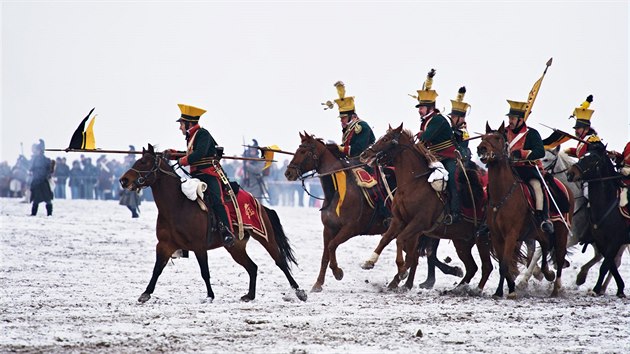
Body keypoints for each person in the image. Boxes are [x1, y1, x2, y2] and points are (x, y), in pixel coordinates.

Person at [165, 103, 235, 247]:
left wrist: (182, 160)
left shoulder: (203, 133)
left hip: (209, 174)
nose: (180, 127)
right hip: (196, 175)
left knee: (217, 200)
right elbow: (191, 153)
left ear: (189, 123)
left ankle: (227, 232)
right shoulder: (192, 136)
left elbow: (199, 154)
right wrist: (173, 154)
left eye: (181, 124)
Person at [413, 69, 460, 225]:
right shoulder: (426, 120)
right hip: (434, 158)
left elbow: (426, 138)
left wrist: (420, 136)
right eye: (419, 107)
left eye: (422, 107)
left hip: (448, 157)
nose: (419, 110)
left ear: (430, 108)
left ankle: (455, 212)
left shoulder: (438, 120)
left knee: (452, 179)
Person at [505, 99, 554, 234]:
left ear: (521, 120)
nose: (510, 121)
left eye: (513, 118)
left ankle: (542, 218)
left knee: (537, 187)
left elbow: (540, 151)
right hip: (510, 170)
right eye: (509, 118)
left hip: (527, 170)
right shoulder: (504, 133)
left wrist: (521, 153)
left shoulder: (532, 133)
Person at [323, 81, 375, 158]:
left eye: (344, 117)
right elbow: (346, 146)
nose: (341, 120)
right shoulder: (349, 129)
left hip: (365, 161)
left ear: (353, 116)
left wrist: (340, 148)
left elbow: (359, 148)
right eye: (341, 118)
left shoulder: (362, 126)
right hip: (352, 160)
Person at [29, 139, 54, 216]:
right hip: (37, 182)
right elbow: (31, 168)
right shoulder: (35, 159)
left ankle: (49, 214)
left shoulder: (45, 160)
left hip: (43, 182)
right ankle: (33, 214)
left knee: (48, 200)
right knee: (36, 200)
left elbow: (49, 170)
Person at [449, 86, 472, 161]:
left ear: (461, 118)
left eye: (453, 117)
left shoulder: (464, 133)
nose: (451, 119)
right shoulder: (450, 128)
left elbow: (462, 150)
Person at [119, 146, 141, 218]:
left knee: (132, 202)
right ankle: (134, 213)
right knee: (126, 202)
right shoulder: (128, 163)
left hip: (133, 184)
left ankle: (134, 214)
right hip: (127, 183)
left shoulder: (134, 163)